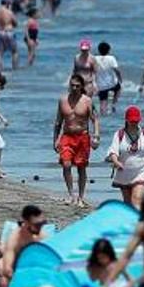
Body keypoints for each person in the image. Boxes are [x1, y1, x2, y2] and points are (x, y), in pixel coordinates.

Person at [54, 74, 100, 207]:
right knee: (66, 164)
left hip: (82, 137)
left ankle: (80, 196)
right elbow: (58, 122)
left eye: (77, 86)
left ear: (82, 87)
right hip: (67, 137)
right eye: (72, 85)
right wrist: (55, 140)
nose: (74, 88)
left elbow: (95, 119)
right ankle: (71, 194)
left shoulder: (87, 101)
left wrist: (96, 136)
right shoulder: (63, 100)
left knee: (81, 167)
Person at [105, 106, 144, 208]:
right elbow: (113, 152)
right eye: (132, 121)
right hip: (124, 174)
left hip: (141, 172)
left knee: (136, 200)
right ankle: (131, 222)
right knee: (128, 204)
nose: (134, 123)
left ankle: (137, 222)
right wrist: (116, 162)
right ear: (126, 120)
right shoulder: (119, 135)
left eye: (136, 121)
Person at [0, 204, 45, 287]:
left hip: (34, 267)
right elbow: (8, 269)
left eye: (42, 223)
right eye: (37, 225)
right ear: (26, 222)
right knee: (3, 280)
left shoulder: (41, 235)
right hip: (18, 269)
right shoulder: (15, 240)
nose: (40, 227)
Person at [93, 41, 123, 115]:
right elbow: (116, 70)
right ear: (108, 50)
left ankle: (103, 115)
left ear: (99, 50)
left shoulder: (95, 58)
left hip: (101, 85)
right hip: (112, 83)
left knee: (103, 102)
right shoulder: (111, 58)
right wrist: (120, 78)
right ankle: (113, 104)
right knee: (118, 89)